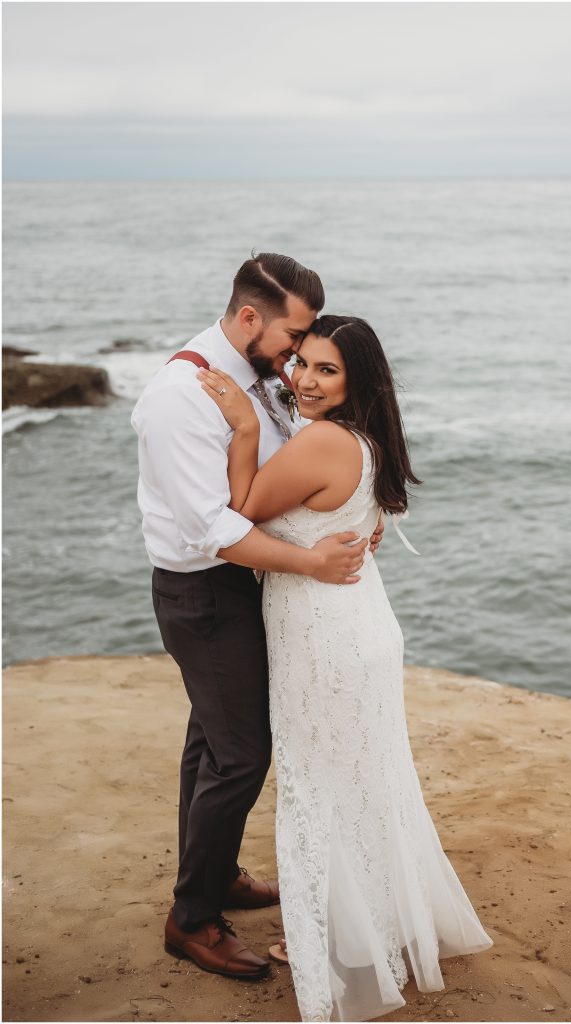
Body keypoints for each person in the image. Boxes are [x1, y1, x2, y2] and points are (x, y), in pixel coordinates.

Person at [197, 315, 493, 1021]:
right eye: (300, 362)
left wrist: (243, 430)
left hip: (324, 639)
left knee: (318, 786)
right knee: (365, 784)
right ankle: (377, 926)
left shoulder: (323, 441)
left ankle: (330, 939)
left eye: (326, 370)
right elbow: (360, 520)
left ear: (356, 380)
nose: (303, 379)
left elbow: (237, 517)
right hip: (357, 626)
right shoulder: (366, 439)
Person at [131, 254, 380, 981]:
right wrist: (310, 563)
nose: (296, 358)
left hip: (247, 585)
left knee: (210, 740)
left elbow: (283, 475)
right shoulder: (182, 397)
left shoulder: (259, 376)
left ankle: (215, 876)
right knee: (241, 754)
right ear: (249, 319)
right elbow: (213, 525)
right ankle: (193, 920)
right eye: (292, 338)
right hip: (205, 592)